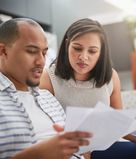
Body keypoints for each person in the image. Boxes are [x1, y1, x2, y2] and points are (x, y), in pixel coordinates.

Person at [40, 18, 136, 159]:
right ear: (67, 45)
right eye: (77, 48)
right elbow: (42, 130)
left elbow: (118, 125)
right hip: (69, 150)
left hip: (102, 148)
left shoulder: (111, 76)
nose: (83, 57)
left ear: (101, 53)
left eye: (92, 51)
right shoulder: (47, 78)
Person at [0, 18, 92, 159]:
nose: (41, 61)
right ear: (3, 51)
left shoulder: (48, 98)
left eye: (44, 53)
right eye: (31, 51)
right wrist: (37, 155)